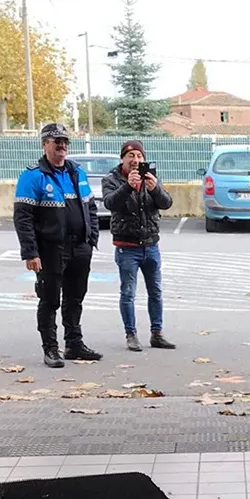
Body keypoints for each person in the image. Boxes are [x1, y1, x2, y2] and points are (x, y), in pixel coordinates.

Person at [13, 123, 102, 368]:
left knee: (75, 298)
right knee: (50, 300)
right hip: (50, 250)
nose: (62, 145)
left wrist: (91, 236)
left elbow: (90, 208)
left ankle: (74, 344)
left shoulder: (77, 172)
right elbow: (23, 218)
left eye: (65, 141)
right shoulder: (33, 176)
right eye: (56, 141)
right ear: (44, 145)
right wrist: (30, 252)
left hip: (80, 248)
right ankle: (51, 349)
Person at [101, 140, 176, 352]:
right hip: (127, 246)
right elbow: (110, 203)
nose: (135, 160)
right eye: (131, 156)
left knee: (156, 291)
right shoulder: (111, 180)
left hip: (151, 244)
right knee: (128, 293)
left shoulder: (149, 177)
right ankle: (131, 334)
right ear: (122, 159)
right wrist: (127, 187)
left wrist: (155, 190)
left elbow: (166, 203)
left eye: (139, 156)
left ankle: (157, 333)